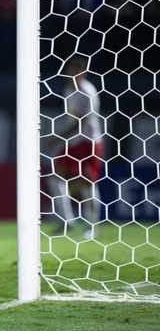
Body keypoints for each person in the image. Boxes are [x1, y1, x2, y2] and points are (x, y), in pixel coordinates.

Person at [47, 57, 103, 239]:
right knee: (55, 177)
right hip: (73, 142)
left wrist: (57, 138)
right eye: (71, 68)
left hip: (88, 142)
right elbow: (71, 118)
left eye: (77, 69)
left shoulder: (88, 91)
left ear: (83, 71)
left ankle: (91, 226)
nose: (73, 72)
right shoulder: (67, 90)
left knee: (88, 183)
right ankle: (67, 221)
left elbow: (81, 122)